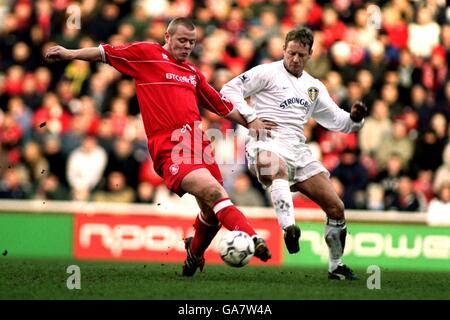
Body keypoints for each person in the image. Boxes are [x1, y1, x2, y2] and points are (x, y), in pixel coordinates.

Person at [45, 17, 272, 276]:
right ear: (167, 36)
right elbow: (103, 52)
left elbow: (220, 105)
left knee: (210, 212)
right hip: (169, 145)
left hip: (198, 142)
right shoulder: (147, 54)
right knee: (215, 192)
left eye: (192, 42)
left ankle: (194, 253)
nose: (187, 46)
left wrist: (253, 121)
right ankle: (253, 238)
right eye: (182, 40)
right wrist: (70, 53)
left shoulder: (193, 73)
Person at [221, 27, 367, 280]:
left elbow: (338, 121)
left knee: (336, 207)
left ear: (310, 54)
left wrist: (356, 118)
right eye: (291, 53)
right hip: (264, 142)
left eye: (301, 54)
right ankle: (289, 228)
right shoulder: (266, 72)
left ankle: (336, 266)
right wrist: (251, 118)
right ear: (283, 50)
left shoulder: (314, 87)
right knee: (275, 168)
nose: (295, 59)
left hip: (298, 149)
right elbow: (228, 90)